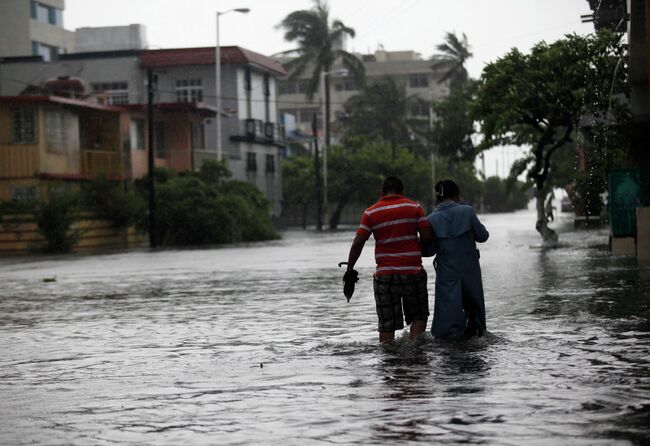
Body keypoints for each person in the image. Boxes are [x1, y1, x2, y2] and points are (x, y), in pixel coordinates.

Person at [345, 176, 433, 343]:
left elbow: (358, 242)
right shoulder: (415, 207)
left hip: (385, 277)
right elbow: (427, 237)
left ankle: (389, 363)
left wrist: (350, 268)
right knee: (419, 316)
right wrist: (412, 244)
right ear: (402, 191)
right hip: (413, 273)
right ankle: (415, 354)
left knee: (387, 324)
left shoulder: (370, 212)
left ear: (382, 192)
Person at [427, 179, 489, 339]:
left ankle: (450, 340)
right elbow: (483, 236)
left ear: (438, 198)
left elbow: (429, 250)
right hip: (469, 268)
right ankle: (476, 335)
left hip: (446, 270)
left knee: (447, 309)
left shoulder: (431, 219)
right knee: (474, 305)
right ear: (456, 195)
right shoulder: (467, 212)